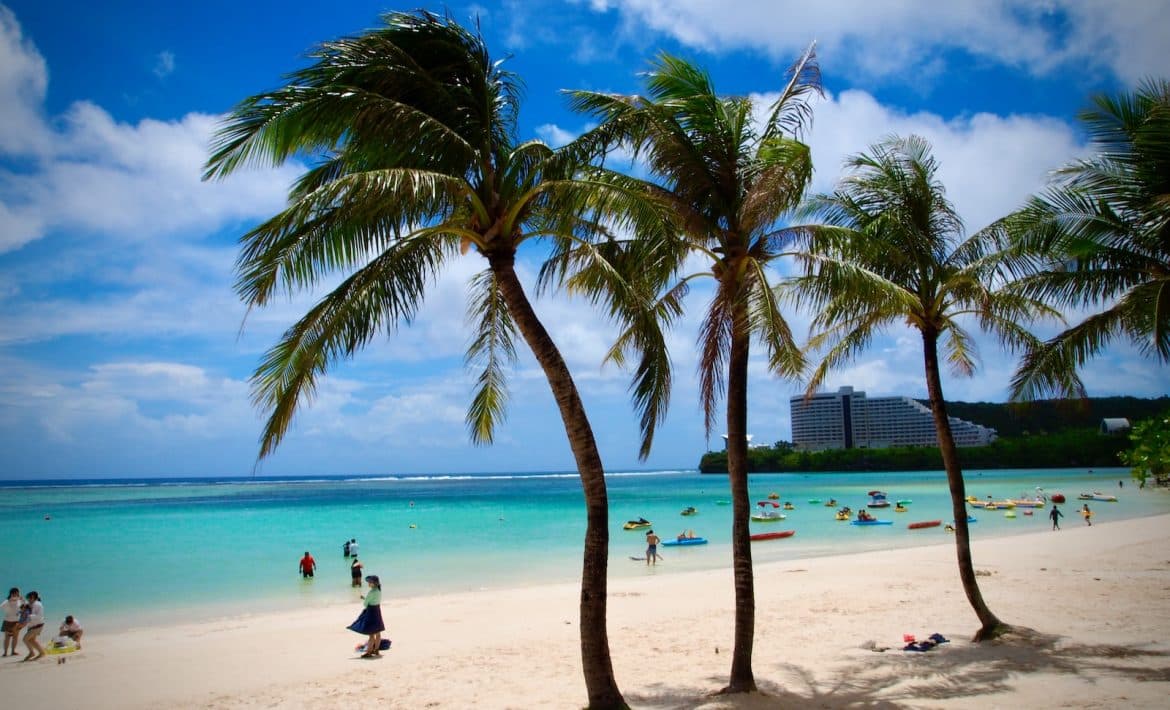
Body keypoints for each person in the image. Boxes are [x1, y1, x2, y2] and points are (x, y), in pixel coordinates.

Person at [348, 575, 385, 658]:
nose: (368, 583)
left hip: (371, 612)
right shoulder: (378, 591)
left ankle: (369, 652)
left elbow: (365, 604)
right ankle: (376, 650)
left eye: (369, 582)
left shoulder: (371, 592)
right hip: (377, 611)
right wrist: (365, 598)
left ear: (373, 583)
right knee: (378, 632)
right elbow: (373, 600)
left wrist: (364, 599)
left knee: (371, 634)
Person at [21, 591, 44, 661]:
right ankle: (42, 652)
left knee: (25, 639)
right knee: (32, 640)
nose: (28, 599)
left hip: (37, 625)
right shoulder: (32, 604)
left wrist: (28, 616)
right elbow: (25, 606)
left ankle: (32, 652)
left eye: (29, 598)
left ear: (33, 598)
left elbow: (39, 616)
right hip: (33, 625)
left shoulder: (38, 605)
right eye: (28, 598)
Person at [1, 587, 22, 657]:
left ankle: (13, 651)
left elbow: (24, 607)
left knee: (15, 637)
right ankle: (5, 652)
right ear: (12, 593)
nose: (18, 594)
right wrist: (9, 602)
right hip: (8, 621)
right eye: (17, 592)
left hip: (16, 621)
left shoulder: (19, 600)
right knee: (7, 637)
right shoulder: (7, 601)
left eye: (18, 592)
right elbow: (1, 607)